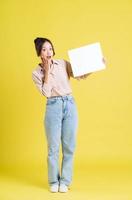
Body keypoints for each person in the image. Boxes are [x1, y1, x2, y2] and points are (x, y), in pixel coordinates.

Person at [32, 37, 92, 193]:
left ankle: (65, 181)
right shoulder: (36, 73)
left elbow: (79, 75)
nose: (48, 52)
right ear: (39, 53)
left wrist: (95, 65)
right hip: (53, 106)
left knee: (69, 146)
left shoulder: (63, 64)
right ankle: (53, 181)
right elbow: (46, 92)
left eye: (50, 48)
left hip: (70, 105)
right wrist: (46, 71)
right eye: (44, 49)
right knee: (53, 147)